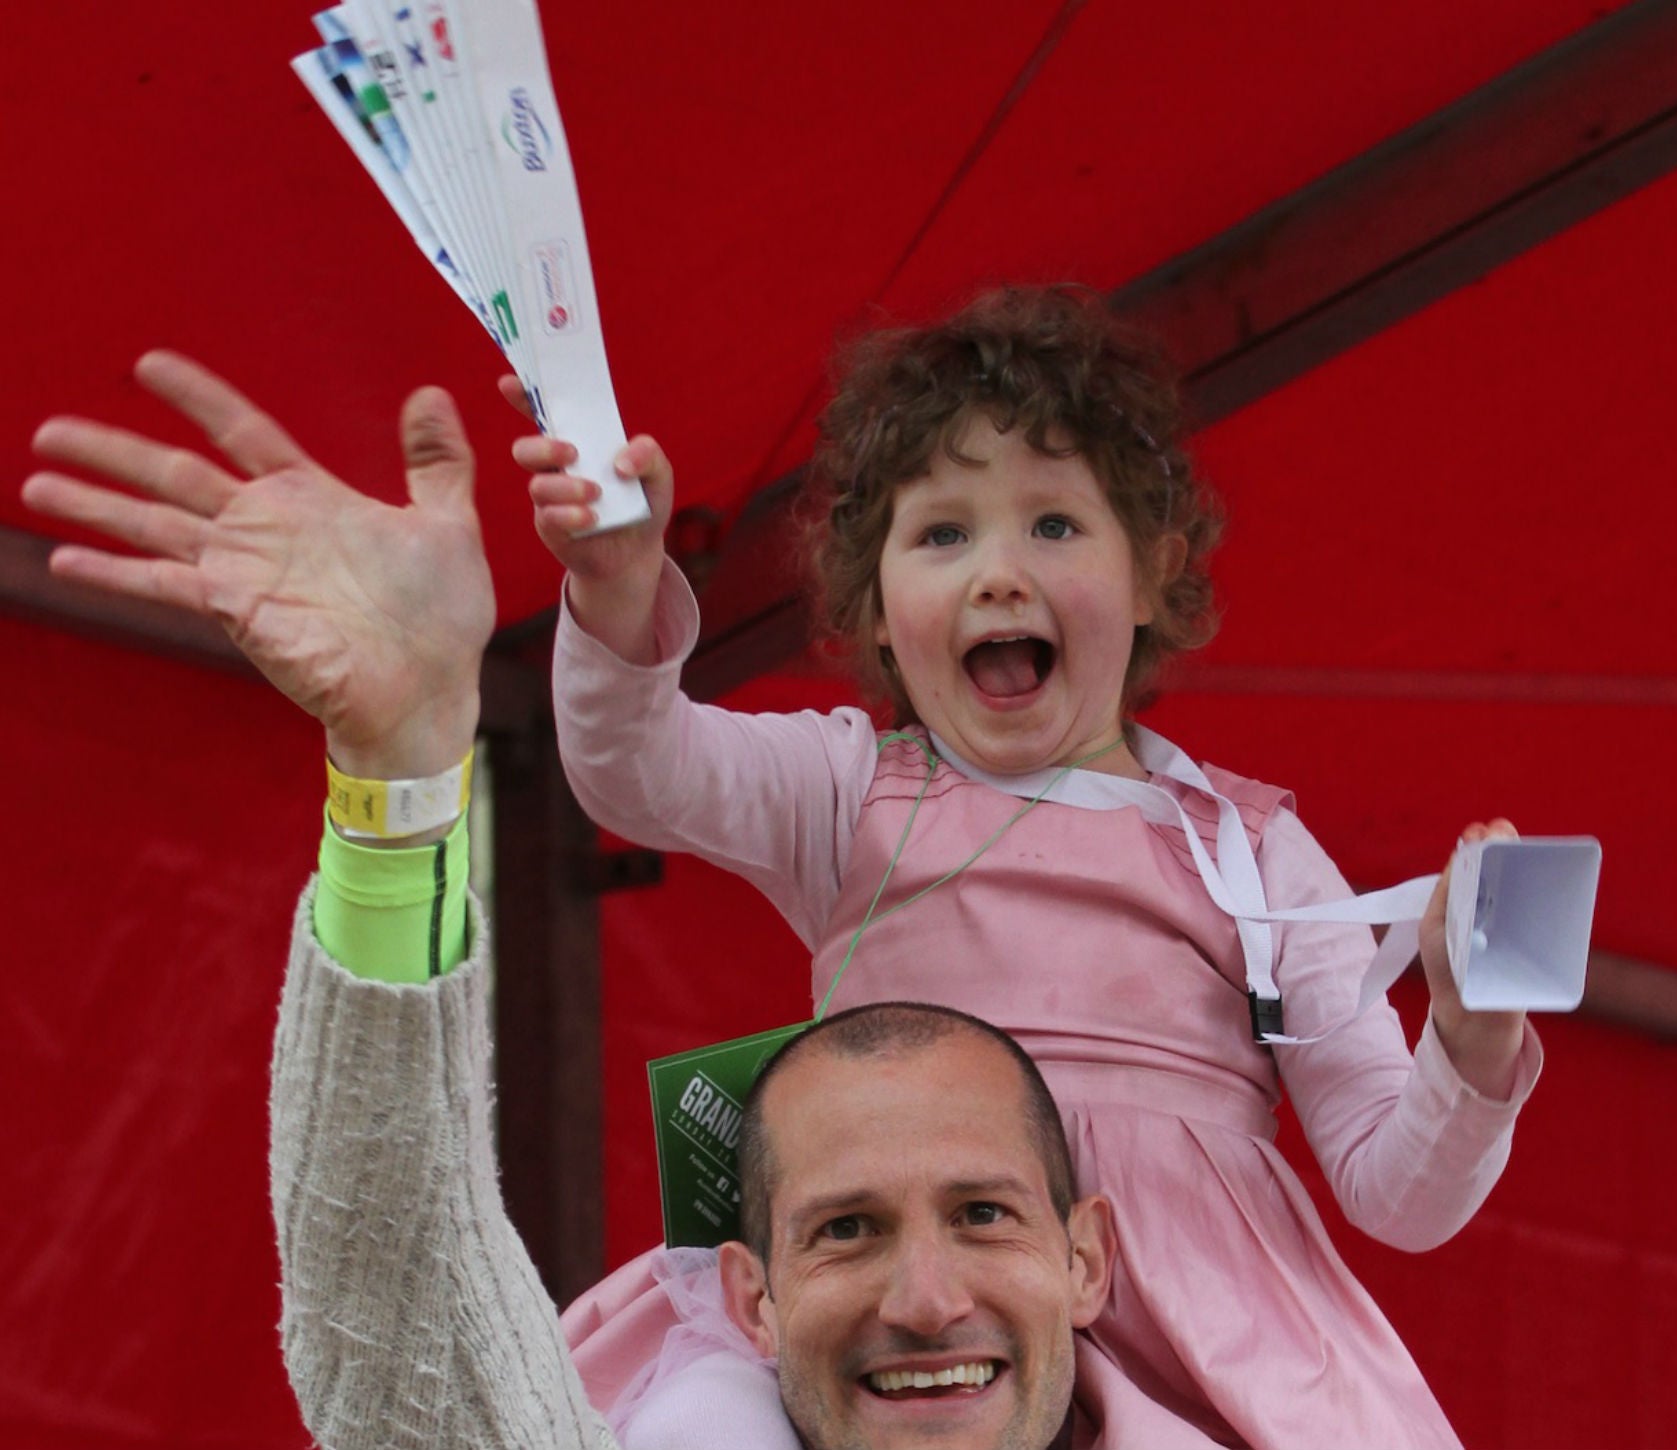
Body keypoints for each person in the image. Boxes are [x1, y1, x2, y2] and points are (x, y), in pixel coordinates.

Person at [21, 352, 1231, 1450]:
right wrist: (399, 774)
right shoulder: (850, 783)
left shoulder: (1237, 846)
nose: (925, 1299)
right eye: (844, 1230)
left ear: (1085, 1261)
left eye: (981, 1214)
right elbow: (408, 1338)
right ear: (750, 1294)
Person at [519, 286, 1544, 1449]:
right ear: (879, 598)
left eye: (1052, 525)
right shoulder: (850, 792)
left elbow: (1396, 1194)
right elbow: (636, 768)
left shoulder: (1251, 851)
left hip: (1185, 1356)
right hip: (889, 1312)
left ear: (1153, 568)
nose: (997, 573)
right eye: (942, 533)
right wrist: (615, 598)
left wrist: (1472, 1040)